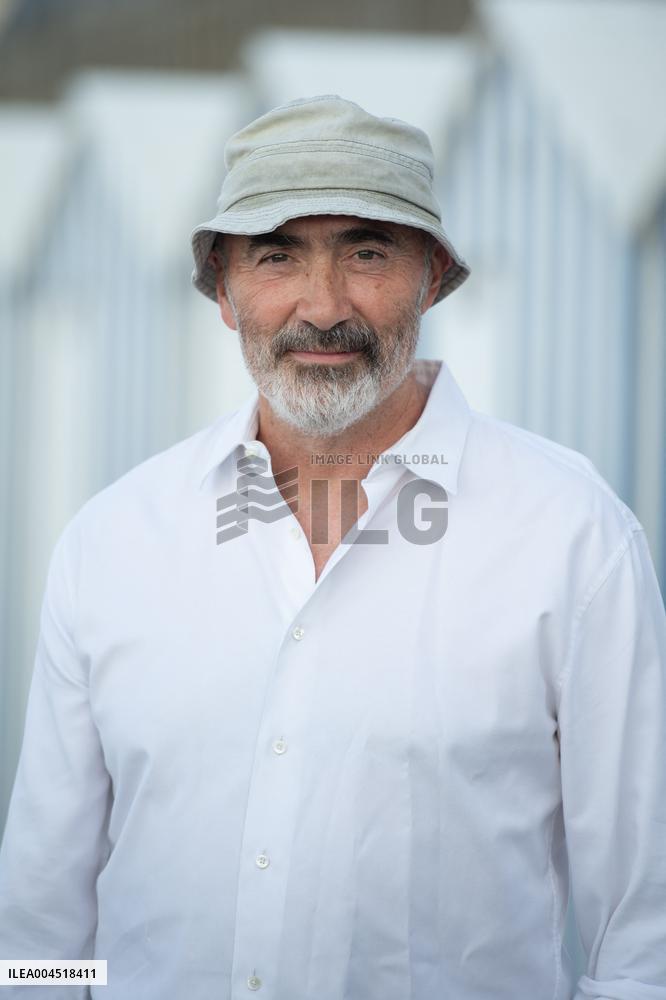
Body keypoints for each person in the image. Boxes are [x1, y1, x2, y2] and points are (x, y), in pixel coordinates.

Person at [0, 94, 664, 1000]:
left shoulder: (574, 540)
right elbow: (38, 927)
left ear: (432, 275)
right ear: (224, 290)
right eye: (277, 255)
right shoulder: (111, 546)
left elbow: (646, 938)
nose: (323, 305)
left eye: (367, 251)